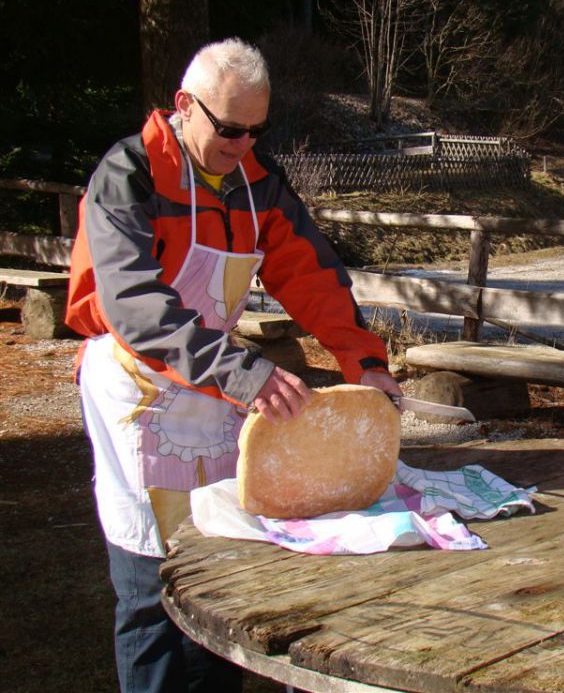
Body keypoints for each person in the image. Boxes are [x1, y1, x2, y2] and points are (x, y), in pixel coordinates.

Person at [65, 37, 402, 692]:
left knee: (225, 574)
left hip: (215, 389)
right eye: (230, 129)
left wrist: (363, 361)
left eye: (256, 130)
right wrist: (243, 373)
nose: (244, 143)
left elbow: (310, 275)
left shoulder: (257, 182)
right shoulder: (127, 177)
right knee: (150, 587)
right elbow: (134, 307)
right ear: (184, 106)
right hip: (138, 390)